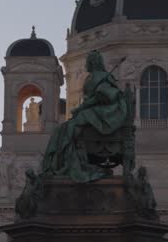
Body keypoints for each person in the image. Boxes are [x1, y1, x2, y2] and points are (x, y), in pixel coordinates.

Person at [40, 51, 133, 182]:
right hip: (94, 112)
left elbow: (104, 96)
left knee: (67, 127)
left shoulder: (101, 77)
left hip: (103, 114)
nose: (86, 65)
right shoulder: (96, 77)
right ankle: (61, 163)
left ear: (93, 62)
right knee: (63, 128)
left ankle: (62, 163)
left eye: (88, 61)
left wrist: (82, 107)